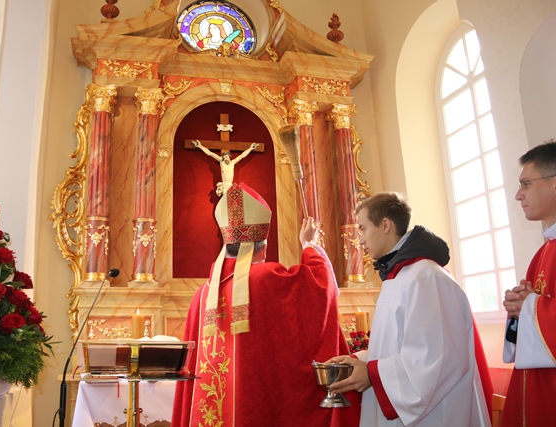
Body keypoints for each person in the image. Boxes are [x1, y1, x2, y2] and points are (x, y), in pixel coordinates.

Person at [171, 182, 360, 427]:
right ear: (263, 247)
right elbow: (319, 287)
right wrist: (309, 245)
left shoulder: (202, 295)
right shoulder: (268, 278)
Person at [328, 192, 492, 427]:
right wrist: (360, 360)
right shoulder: (401, 276)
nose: (360, 240)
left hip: (437, 417)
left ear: (385, 225)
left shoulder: (426, 277)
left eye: (363, 229)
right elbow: (402, 345)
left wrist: (373, 373)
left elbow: (436, 359)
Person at [502, 140, 556, 427]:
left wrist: (530, 307)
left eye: (526, 184)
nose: (517, 195)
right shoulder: (545, 250)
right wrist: (519, 309)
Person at [193, 139, 258, 196]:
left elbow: (242, 155)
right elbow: (210, 153)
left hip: (230, 185)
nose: (225, 158)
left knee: (231, 202)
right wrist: (200, 146)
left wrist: (251, 148)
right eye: (224, 157)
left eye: (226, 157)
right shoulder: (221, 162)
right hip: (224, 185)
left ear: (229, 156)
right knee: (225, 200)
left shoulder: (233, 162)